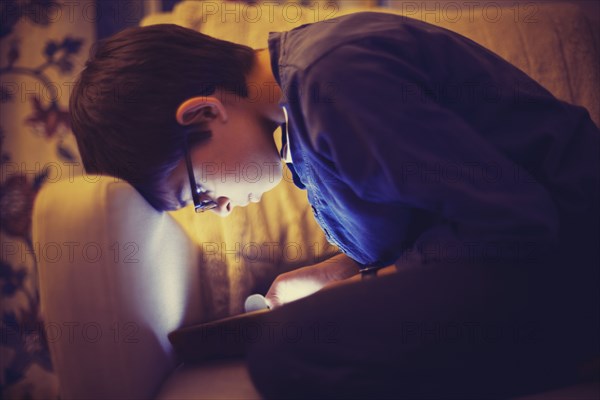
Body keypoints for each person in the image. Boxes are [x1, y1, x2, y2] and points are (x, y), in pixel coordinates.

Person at [70, 12, 599, 399]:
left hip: (572, 257)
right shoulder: (300, 122)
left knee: (291, 351)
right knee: (293, 336)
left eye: (201, 196)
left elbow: (512, 223)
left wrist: (363, 288)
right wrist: (334, 274)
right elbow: (438, 223)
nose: (222, 209)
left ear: (204, 113)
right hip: (529, 260)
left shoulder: (333, 82)